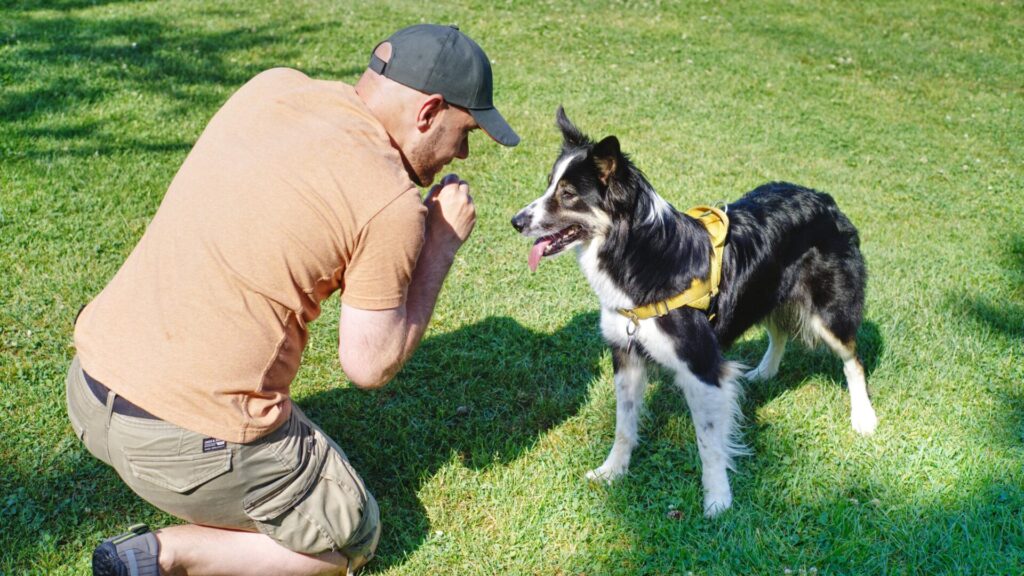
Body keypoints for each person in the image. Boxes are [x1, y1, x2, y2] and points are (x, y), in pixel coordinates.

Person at [66, 24, 519, 576]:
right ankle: (166, 554)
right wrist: (440, 245)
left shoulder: (272, 87)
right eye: (465, 130)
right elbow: (369, 364)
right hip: (173, 446)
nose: (463, 152)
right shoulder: (388, 202)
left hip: (88, 389)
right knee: (351, 533)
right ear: (428, 112)